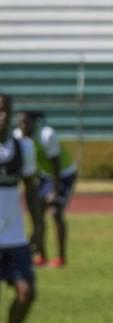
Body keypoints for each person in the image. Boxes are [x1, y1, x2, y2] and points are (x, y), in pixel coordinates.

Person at [0, 96, 41, 323]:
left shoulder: (23, 148)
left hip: (14, 238)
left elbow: (31, 189)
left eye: (4, 111)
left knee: (27, 293)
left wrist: (39, 228)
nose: (0, 117)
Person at [14, 111, 77, 268]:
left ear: (34, 123)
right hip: (43, 176)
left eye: (26, 123)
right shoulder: (18, 137)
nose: (22, 126)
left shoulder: (47, 135)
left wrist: (55, 192)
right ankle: (41, 256)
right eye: (19, 123)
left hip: (63, 175)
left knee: (55, 212)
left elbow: (55, 164)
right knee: (37, 213)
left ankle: (61, 257)